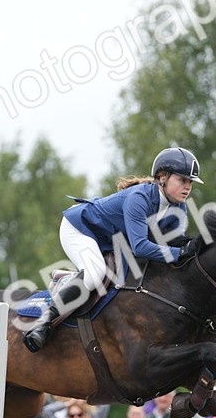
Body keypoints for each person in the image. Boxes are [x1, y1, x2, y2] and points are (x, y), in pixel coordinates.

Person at [23, 147, 204, 353]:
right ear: (163, 178)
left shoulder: (179, 208)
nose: (187, 187)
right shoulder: (139, 198)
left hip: (110, 240)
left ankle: (72, 281)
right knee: (95, 273)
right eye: (182, 180)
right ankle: (45, 322)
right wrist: (180, 253)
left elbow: (172, 245)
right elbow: (140, 247)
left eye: (190, 182)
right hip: (81, 228)